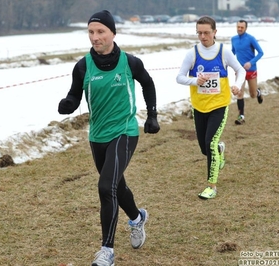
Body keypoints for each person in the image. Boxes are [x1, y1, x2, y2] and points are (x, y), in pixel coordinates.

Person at [58, 10, 160, 266]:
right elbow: (74, 95)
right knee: (118, 187)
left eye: (100, 31)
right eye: (91, 32)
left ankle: (107, 252)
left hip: (125, 131)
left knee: (106, 188)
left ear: (113, 33)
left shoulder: (130, 62)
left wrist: (152, 116)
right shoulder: (83, 66)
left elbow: (148, 84)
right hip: (97, 136)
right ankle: (137, 218)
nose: (95, 37)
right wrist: (68, 104)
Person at [176, 16, 246, 199]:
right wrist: (195, 80)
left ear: (215, 32)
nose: (203, 36)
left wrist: (237, 85)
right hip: (199, 106)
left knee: (210, 144)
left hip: (219, 105)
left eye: (206, 32)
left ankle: (211, 186)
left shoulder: (223, 52)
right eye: (199, 33)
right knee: (204, 148)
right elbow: (180, 77)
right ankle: (220, 150)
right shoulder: (192, 53)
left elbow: (241, 70)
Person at [231, 19, 264, 125]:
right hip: (240, 70)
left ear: (246, 28)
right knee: (239, 93)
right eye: (238, 27)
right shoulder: (234, 39)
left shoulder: (251, 39)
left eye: (242, 27)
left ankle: (258, 92)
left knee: (252, 94)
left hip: (251, 69)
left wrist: (251, 62)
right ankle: (241, 116)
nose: (239, 29)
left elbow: (261, 52)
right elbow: (233, 52)